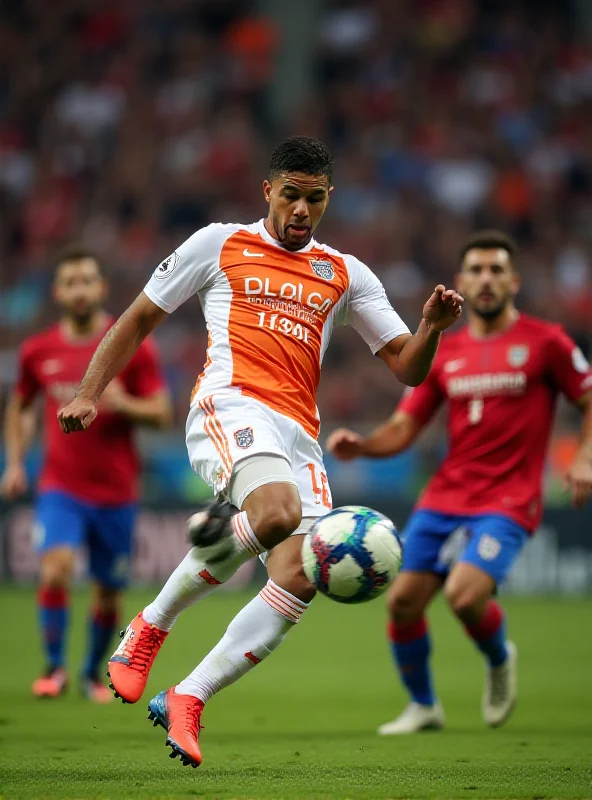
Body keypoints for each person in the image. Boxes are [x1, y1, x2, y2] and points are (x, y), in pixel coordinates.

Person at [57, 136, 463, 766]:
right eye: (292, 195)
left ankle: (189, 695)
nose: (301, 210)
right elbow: (138, 317)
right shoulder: (218, 243)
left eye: (315, 198)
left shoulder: (346, 273)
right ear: (268, 191)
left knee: (299, 577)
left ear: (330, 199)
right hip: (231, 404)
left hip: (299, 430)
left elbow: (408, 369)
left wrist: (432, 327)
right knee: (274, 513)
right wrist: (89, 392)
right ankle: (150, 625)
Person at [327, 229, 592, 734]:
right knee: (403, 601)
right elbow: (405, 426)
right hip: (447, 494)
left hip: (509, 498)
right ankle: (424, 706)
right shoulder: (446, 352)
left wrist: (584, 457)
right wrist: (362, 446)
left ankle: (498, 657)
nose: (486, 279)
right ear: (460, 282)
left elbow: (588, 397)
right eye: (476, 270)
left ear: (514, 281)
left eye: (496, 270)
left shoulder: (546, 342)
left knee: (465, 597)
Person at [1, 246, 172, 702]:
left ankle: (92, 674)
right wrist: (16, 462)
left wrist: (124, 405)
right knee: (54, 570)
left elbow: (163, 413)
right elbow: (18, 406)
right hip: (61, 486)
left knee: (109, 593)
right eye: (71, 282)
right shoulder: (39, 351)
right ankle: (53, 669)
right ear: (58, 292)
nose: (79, 290)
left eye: (87, 281)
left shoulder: (133, 346)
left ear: (101, 288)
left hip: (116, 492)